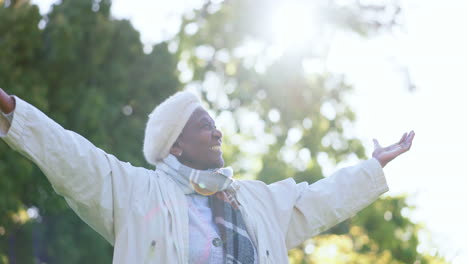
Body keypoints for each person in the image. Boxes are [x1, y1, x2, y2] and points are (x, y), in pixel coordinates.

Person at [0, 87, 415, 264]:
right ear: (174, 146)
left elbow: (318, 200)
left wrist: (372, 166)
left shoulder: (254, 200)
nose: (216, 130)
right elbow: (75, 158)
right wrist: (13, 111)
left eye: (215, 124)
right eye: (202, 125)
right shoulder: (136, 192)